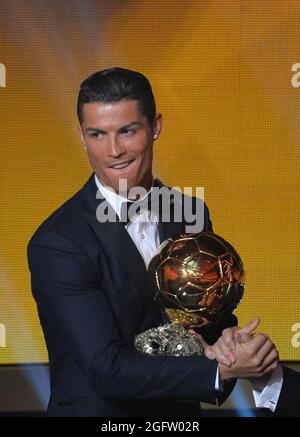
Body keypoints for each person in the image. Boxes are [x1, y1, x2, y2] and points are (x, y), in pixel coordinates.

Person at [27, 67, 278, 417]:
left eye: (127, 131)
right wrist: (218, 371)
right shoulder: (58, 241)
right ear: (82, 137)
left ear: (155, 126)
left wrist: (227, 342)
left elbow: (201, 318)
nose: (114, 150)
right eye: (98, 134)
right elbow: (105, 368)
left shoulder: (189, 212)